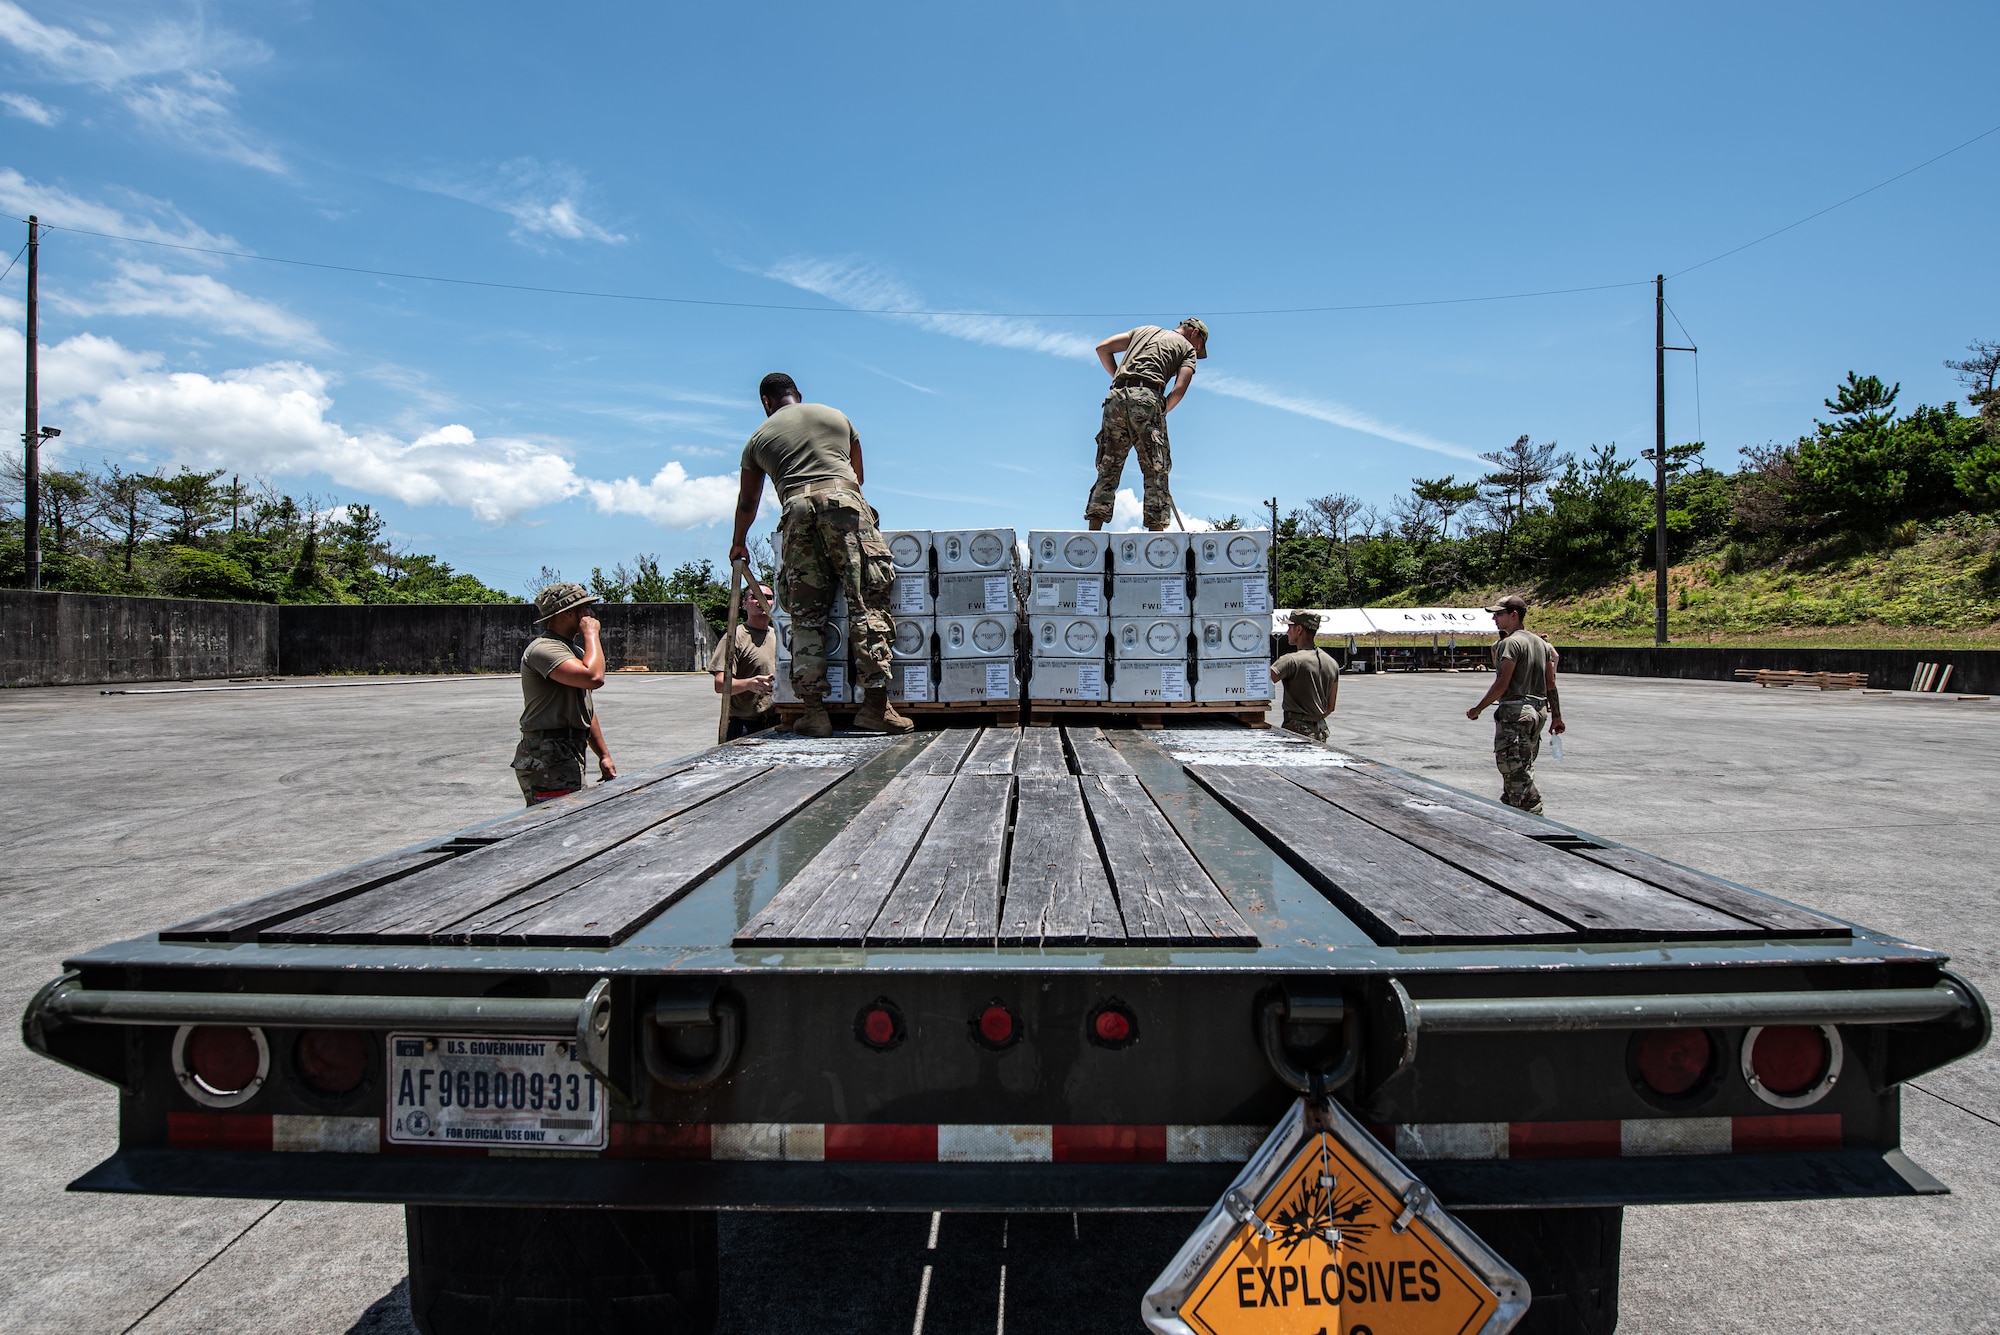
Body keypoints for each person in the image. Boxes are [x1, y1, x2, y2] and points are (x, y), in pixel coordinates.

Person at [727, 372, 912, 739]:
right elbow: (857, 476)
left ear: (766, 402)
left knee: (806, 616)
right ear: (798, 395)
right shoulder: (836, 416)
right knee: (866, 604)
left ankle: (814, 713)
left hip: (795, 511)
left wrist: (739, 542)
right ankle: (875, 707)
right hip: (844, 502)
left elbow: (748, 500)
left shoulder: (757, 439)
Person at [1085, 318, 1209, 532]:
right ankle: (1156, 538)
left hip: (1115, 398)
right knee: (1155, 469)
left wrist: (1120, 379)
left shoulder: (1144, 330)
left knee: (1108, 466)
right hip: (1149, 398)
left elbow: (1102, 348)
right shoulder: (1187, 348)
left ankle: (1093, 532)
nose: (1197, 351)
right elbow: (1179, 389)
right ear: (1195, 333)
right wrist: (1160, 410)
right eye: (1199, 346)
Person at [512, 581, 617, 805]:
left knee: (571, 823)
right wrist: (591, 635)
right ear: (568, 612)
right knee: (554, 827)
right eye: (585, 608)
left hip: (566, 750)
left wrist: (604, 755)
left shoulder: (573, 651)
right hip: (548, 753)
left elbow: (586, 709)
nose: (591, 613)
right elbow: (594, 677)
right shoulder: (544, 648)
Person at [1465, 594, 1566, 814]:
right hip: (1537, 713)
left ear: (1514, 615)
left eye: (1499, 615)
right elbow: (1551, 683)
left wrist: (1478, 709)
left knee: (1515, 771)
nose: (1495, 620)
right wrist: (1556, 715)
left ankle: (1533, 815)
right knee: (1522, 766)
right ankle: (1513, 814)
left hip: (1515, 714)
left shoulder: (1509, 643)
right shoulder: (1542, 644)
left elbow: (1502, 683)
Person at [710, 580, 778, 740]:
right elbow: (720, 684)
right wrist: (749, 684)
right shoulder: (734, 637)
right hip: (744, 727)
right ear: (745, 604)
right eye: (755, 597)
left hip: (775, 723)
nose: (762, 601)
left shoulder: (780, 636)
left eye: (768, 597)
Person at [1269, 610, 1341, 740]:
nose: (1287, 632)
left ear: (1299, 629)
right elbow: (1330, 707)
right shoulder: (1331, 663)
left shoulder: (1290, 660)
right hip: (1320, 730)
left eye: (1290, 627)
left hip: (1296, 731)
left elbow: (1260, 684)